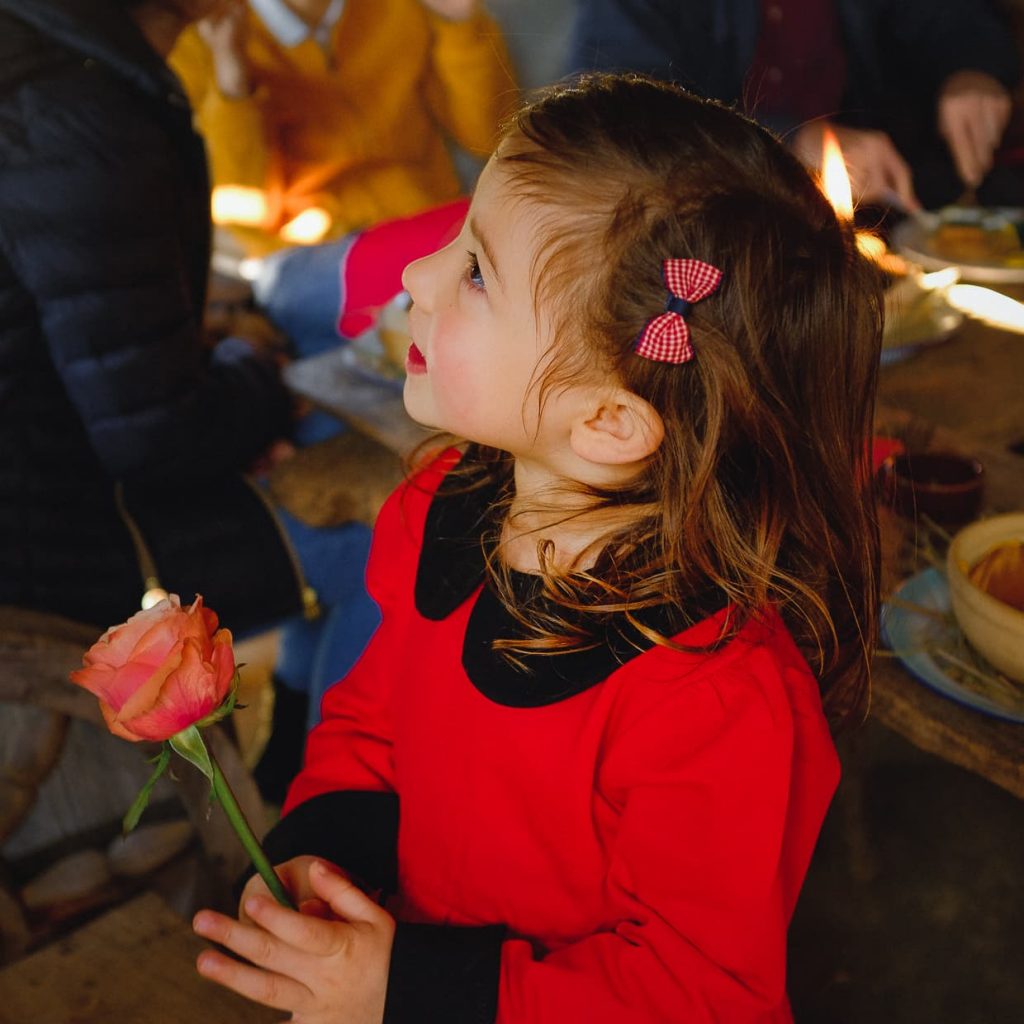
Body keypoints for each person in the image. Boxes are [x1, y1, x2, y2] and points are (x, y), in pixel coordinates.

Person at [191, 74, 882, 1021]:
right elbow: (372, 723)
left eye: (476, 271)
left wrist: (411, 989)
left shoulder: (711, 695)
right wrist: (327, 857)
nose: (415, 278)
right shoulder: (445, 502)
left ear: (605, 420)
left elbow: (695, 996)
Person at [0, 0, 380, 803]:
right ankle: (319, 812)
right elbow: (157, 438)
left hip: (55, 473)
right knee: (398, 542)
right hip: (63, 544)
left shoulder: (56, 62)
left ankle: (288, 754)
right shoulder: (78, 112)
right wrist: (256, 366)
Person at [566, 0, 1022, 211]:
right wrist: (787, 141)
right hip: (708, 234)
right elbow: (618, 115)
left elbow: (949, 17)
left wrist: (972, 69)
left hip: (877, 219)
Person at [170, 0, 518, 256]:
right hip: (306, 255)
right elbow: (244, 212)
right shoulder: (195, 37)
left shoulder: (401, 9)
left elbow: (490, 137)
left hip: (431, 221)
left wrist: (460, 22)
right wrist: (231, 78)